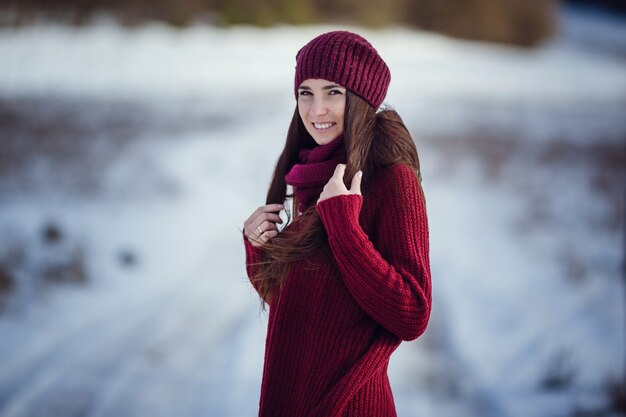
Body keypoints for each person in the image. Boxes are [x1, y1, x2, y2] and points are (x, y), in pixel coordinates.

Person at [242, 30, 432, 417]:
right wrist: (259, 250)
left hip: (350, 406)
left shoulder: (391, 179)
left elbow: (412, 314)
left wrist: (345, 229)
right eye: (305, 94)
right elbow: (304, 306)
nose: (316, 110)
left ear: (360, 100)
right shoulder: (309, 173)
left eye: (333, 93)